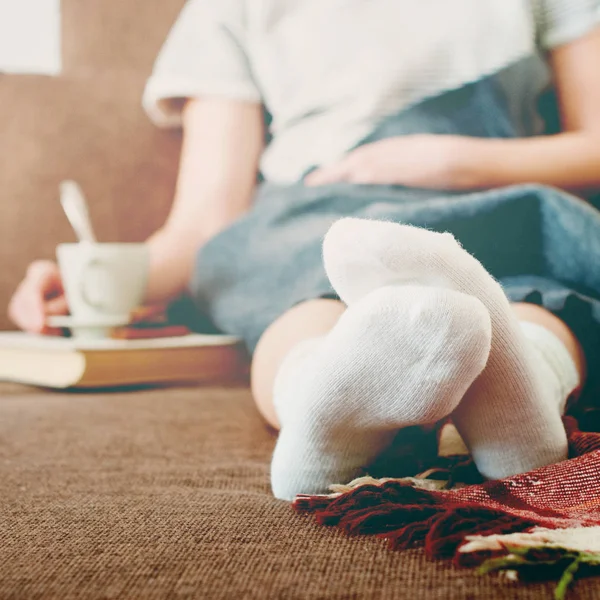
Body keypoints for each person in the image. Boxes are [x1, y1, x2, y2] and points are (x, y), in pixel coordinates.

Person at [9, 1, 600, 501]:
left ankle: (522, 406)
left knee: (532, 291)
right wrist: (98, 284)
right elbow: (205, 221)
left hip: (498, 196)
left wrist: (450, 161)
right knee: (305, 308)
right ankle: (323, 404)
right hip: (316, 214)